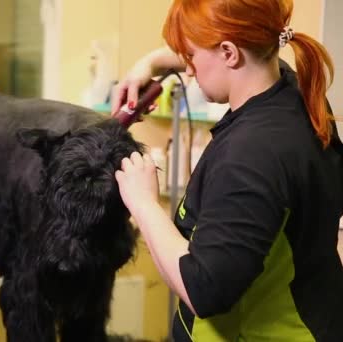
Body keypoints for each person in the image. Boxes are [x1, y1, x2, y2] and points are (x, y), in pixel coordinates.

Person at [112, 0, 343, 340]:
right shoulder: (294, 89)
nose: (188, 70)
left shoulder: (250, 159)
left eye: (190, 56)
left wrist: (144, 204)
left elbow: (204, 289)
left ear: (229, 52)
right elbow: (222, 51)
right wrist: (151, 62)